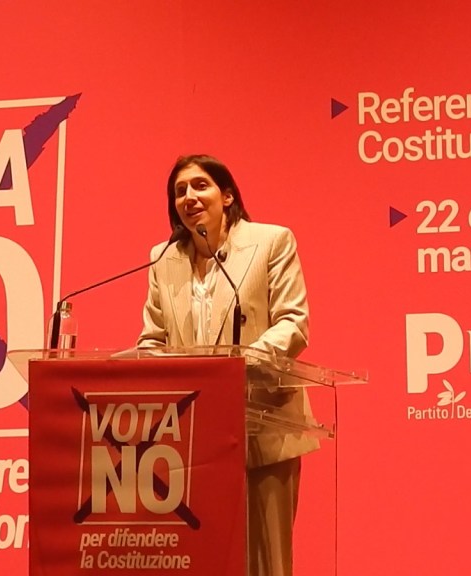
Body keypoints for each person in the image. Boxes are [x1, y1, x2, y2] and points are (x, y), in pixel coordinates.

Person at [137, 154, 319, 576]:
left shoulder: (271, 241)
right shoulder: (164, 259)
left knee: (268, 564)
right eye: (180, 190)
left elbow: (293, 323)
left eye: (200, 185)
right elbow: (152, 340)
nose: (189, 196)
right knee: (207, 561)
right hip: (195, 437)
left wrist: (235, 368)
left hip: (265, 425)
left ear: (228, 195)